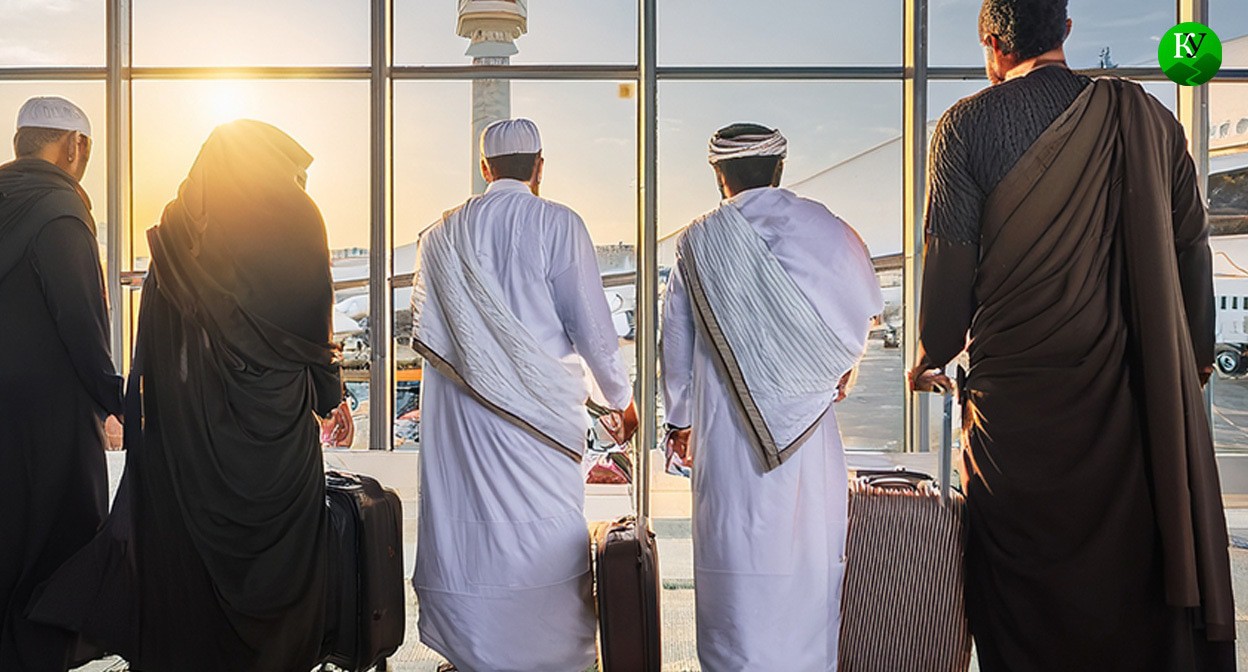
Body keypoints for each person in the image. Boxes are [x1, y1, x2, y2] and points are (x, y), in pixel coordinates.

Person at [909, 1, 1235, 669]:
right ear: (1065, 31)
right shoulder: (1150, 120)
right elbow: (1190, 249)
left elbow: (950, 265)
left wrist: (929, 353)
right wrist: (1195, 357)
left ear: (991, 43)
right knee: (1129, 572)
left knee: (1021, 587)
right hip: (1131, 396)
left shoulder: (966, 124)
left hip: (1017, 412)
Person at [30, 120, 353, 671]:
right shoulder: (298, 216)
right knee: (278, 550)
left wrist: (147, 411)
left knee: (191, 549)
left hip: (189, 430)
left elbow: (156, 331)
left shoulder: (179, 226)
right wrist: (330, 397)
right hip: (272, 429)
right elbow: (311, 323)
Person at [411, 117, 638, 672]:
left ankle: (472, 653)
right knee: (545, 529)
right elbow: (593, 327)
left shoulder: (438, 237)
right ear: (539, 166)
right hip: (540, 420)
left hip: (465, 418)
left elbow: (432, 333)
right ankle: (549, 657)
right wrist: (619, 400)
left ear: (484, 168)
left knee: (471, 529)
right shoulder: (559, 223)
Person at [661, 123, 883, 670]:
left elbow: (676, 342)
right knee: (808, 561)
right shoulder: (827, 228)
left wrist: (680, 422)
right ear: (780, 169)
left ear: (719, 176)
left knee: (733, 561)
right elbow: (863, 309)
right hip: (808, 434)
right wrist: (834, 368)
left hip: (727, 437)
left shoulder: (697, 241)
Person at [0, 97, 121, 671]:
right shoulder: (61, 210)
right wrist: (116, 399)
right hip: (50, 417)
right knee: (58, 536)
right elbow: (81, 320)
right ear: (75, 146)